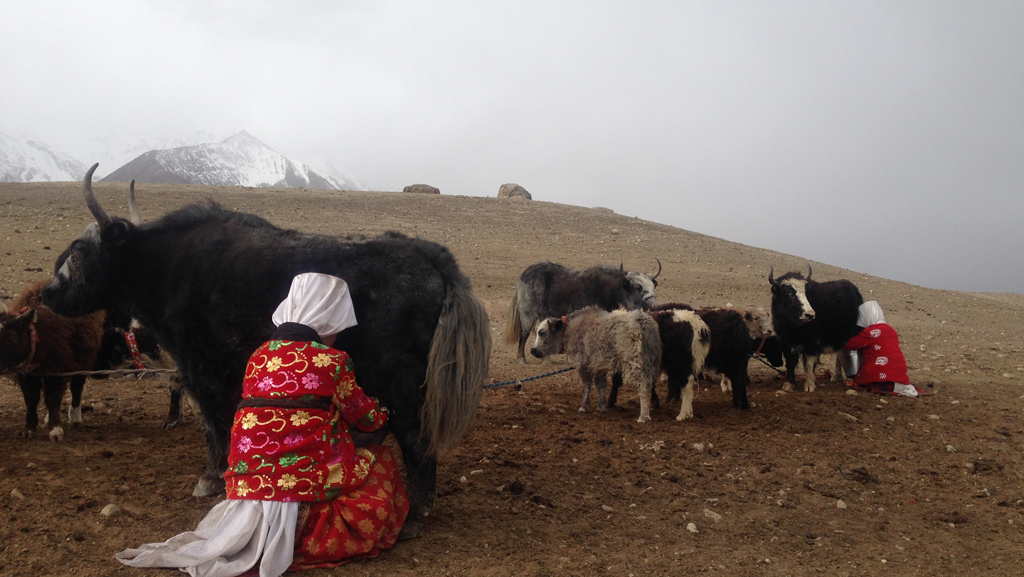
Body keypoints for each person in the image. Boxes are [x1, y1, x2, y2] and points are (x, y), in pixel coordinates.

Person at [116, 273, 409, 576]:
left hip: (246, 481)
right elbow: (365, 417)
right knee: (379, 461)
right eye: (337, 327)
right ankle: (306, 533)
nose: (337, 335)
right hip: (303, 479)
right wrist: (387, 412)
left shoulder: (258, 357)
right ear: (327, 324)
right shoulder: (332, 361)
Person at [842, 300, 916, 397]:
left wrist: (837, 339)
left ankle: (875, 382)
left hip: (881, 375)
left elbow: (851, 344)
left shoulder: (871, 332)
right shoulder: (891, 330)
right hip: (900, 376)